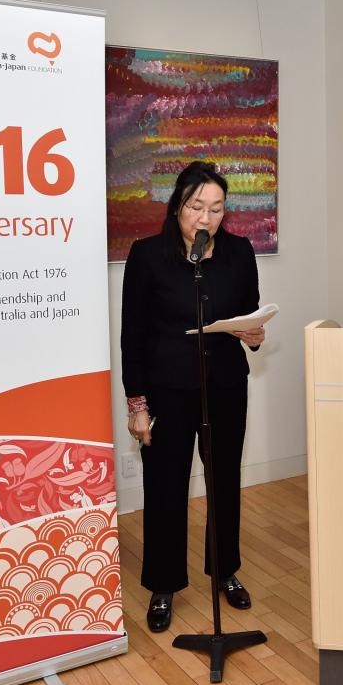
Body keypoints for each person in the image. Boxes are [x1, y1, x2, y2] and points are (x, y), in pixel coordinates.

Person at [121, 161, 266, 633]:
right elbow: (133, 336)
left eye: (217, 209)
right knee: (166, 486)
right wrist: (138, 406)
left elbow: (250, 317)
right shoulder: (146, 256)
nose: (207, 219)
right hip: (167, 389)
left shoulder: (240, 253)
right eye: (197, 207)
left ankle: (224, 572)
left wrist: (254, 334)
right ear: (178, 207)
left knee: (224, 481)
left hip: (224, 383)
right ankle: (163, 585)